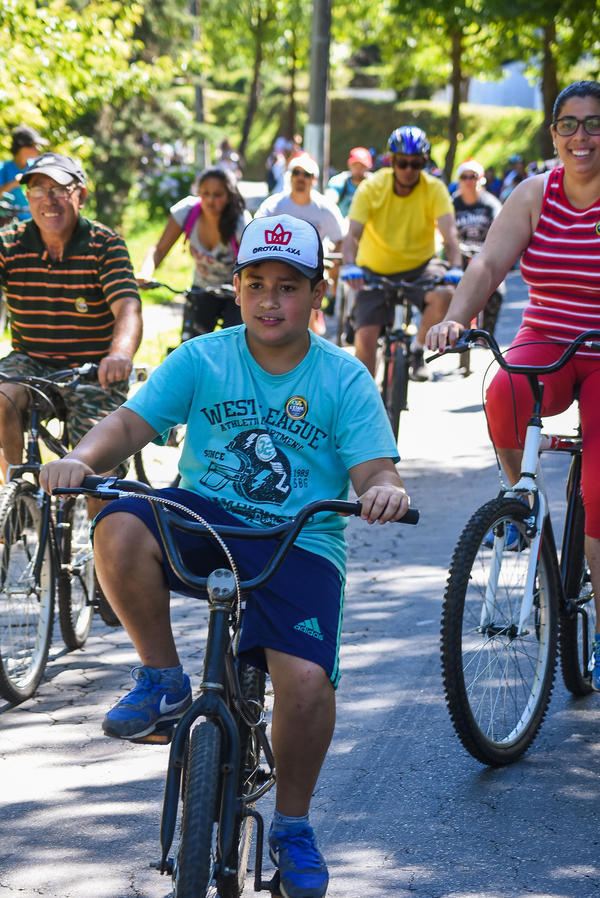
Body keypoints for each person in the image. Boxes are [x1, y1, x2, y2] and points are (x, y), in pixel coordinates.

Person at [40, 213, 412, 898]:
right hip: (205, 517)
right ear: (236, 289)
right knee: (118, 524)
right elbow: (129, 423)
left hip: (300, 537)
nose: (271, 301)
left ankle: (294, 827)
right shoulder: (204, 358)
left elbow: (373, 470)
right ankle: (163, 678)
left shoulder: (343, 378)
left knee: (303, 687)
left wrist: (384, 490)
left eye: (289, 287)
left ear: (316, 295)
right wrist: (77, 458)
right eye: (256, 284)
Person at [426, 80, 600, 689]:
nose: (582, 136)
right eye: (570, 125)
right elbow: (489, 264)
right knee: (502, 392)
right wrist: (455, 317)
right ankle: (523, 507)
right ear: (553, 134)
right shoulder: (533, 194)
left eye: (594, 124)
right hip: (546, 339)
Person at [0, 151, 142, 485]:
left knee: (98, 473)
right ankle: (14, 497)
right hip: (30, 362)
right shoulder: (9, 244)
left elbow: (127, 307)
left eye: (59, 189)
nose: (48, 200)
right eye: (37, 189)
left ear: (81, 195)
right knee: (1, 399)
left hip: (93, 370)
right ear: (27, 196)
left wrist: (119, 354)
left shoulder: (104, 245)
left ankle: (99, 531)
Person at [341, 126, 463, 381]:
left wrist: (455, 267)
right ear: (392, 161)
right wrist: (349, 265)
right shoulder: (371, 187)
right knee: (365, 337)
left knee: (446, 295)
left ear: (424, 163)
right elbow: (353, 234)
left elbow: (450, 235)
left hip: (420, 266)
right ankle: (366, 402)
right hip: (374, 269)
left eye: (416, 163)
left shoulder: (435, 189)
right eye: (402, 163)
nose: (408, 170)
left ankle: (417, 351)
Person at [137, 166, 251, 337]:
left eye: (218, 195)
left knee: (236, 344)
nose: (210, 201)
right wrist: (146, 272)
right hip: (202, 288)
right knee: (191, 344)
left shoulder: (241, 223)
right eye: (205, 193)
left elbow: (253, 264)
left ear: (229, 196)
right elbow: (159, 249)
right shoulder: (187, 212)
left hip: (235, 292)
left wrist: (244, 287)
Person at [255, 152, 346, 334]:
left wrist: (331, 264)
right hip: (277, 265)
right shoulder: (274, 205)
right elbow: (255, 231)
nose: (300, 178)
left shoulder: (325, 208)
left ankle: (309, 336)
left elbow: (340, 239)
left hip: (311, 268)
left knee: (307, 302)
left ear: (314, 179)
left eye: (306, 174)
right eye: (296, 173)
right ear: (290, 176)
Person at [451, 158, 504, 336]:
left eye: (472, 177)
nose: (468, 181)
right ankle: (453, 330)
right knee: (449, 288)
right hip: (460, 256)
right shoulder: (452, 204)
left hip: (486, 255)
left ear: (480, 179)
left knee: (497, 292)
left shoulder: (490, 204)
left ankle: (486, 335)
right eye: (464, 177)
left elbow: (502, 225)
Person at [0, 125, 48, 220]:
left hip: (34, 221)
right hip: (10, 223)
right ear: (22, 147)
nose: (38, 149)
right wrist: (14, 183)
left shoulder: (36, 168)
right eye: (34, 145)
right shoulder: (3, 169)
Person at [326, 147, 373, 218]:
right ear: (349, 164)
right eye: (355, 165)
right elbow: (330, 200)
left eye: (362, 166)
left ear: (369, 167)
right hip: (342, 226)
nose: (358, 169)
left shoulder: (374, 184)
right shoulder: (339, 181)